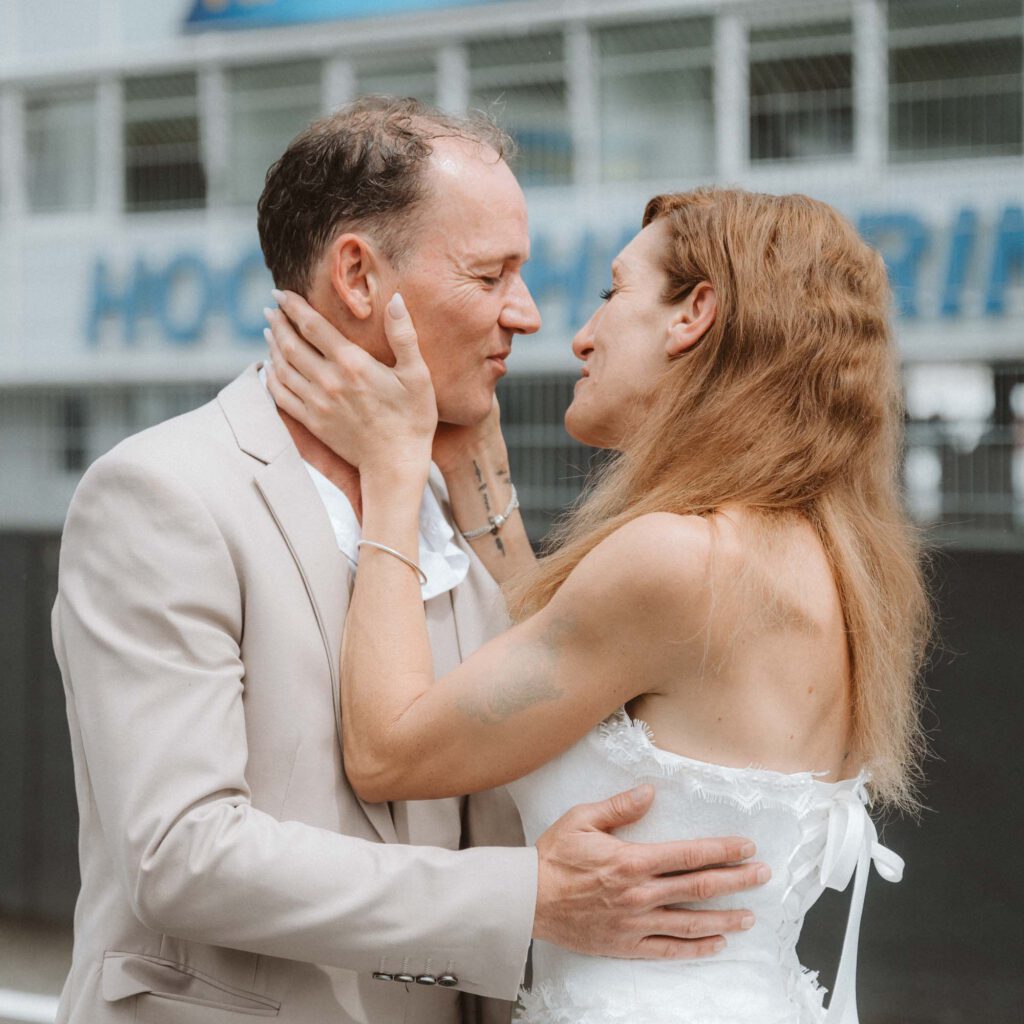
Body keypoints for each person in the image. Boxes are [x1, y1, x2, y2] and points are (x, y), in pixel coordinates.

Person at [50, 99, 766, 1024]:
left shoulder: (446, 513)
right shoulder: (160, 494)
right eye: (490, 274)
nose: (530, 315)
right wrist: (528, 898)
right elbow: (179, 857)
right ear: (358, 275)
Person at [265, 185, 931, 1023]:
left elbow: (386, 751)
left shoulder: (681, 561)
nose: (579, 334)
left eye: (614, 292)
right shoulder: (819, 558)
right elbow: (566, 660)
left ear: (694, 314)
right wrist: (482, 476)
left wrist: (394, 470)